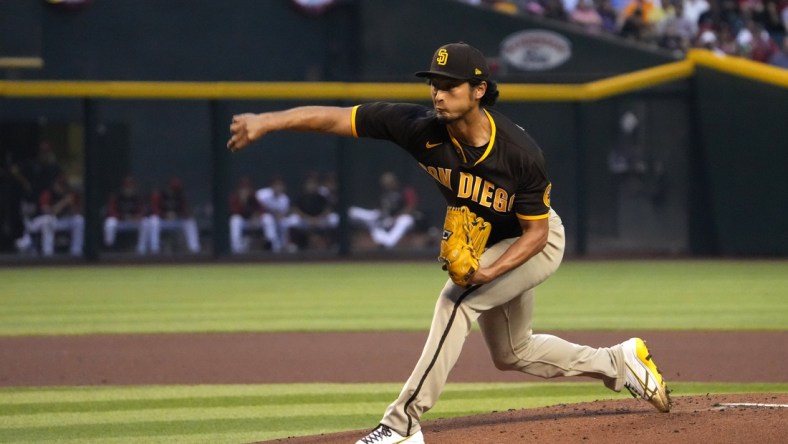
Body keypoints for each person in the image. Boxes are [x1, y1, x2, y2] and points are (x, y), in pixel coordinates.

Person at [227, 42, 671, 444]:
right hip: (492, 246)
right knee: (512, 352)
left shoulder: (519, 153)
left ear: (478, 89)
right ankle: (618, 363)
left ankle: (401, 426)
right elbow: (340, 118)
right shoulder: (419, 128)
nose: (438, 93)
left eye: (449, 85)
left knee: (456, 301)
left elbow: (535, 233)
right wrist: (269, 120)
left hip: (533, 241)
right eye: (434, 84)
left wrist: (487, 273)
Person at [348, 171, 418, 249]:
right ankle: (382, 241)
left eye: (389, 183)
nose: (387, 186)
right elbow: (379, 210)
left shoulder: (405, 191)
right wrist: (382, 217)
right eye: (385, 184)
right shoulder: (384, 193)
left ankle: (389, 242)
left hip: (401, 218)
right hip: (385, 218)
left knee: (405, 220)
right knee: (354, 212)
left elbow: (411, 206)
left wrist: (395, 218)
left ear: (395, 182)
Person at [27, 174, 84, 257]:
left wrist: (71, 205)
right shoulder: (48, 193)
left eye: (64, 185)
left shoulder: (69, 194)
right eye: (60, 184)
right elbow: (48, 212)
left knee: (79, 220)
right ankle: (48, 253)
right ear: (55, 184)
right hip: (42, 221)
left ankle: (76, 251)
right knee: (48, 221)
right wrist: (64, 202)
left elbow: (77, 212)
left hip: (61, 221)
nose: (61, 187)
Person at [144, 177, 201, 254]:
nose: (174, 190)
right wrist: (164, 215)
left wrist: (180, 215)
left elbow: (184, 210)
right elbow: (155, 208)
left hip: (176, 219)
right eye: (173, 188)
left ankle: (194, 248)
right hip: (162, 220)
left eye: (176, 188)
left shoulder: (180, 196)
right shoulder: (160, 195)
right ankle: (154, 249)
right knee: (153, 221)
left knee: (190, 222)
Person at [283, 173, 339, 250]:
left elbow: (328, 210)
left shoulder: (322, 197)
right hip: (305, 221)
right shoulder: (301, 196)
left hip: (319, 221)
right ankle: (293, 244)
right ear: (306, 185)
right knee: (292, 221)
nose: (312, 186)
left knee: (334, 219)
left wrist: (318, 219)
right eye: (310, 183)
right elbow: (295, 210)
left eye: (314, 183)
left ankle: (335, 244)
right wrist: (308, 218)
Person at [103, 175, 148, 254]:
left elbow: (142, 210)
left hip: (132, 221)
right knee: (109, 223)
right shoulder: (117, 195)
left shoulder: (137, 196)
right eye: (127, 185)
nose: (128, 187)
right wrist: (120, 216)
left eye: (130, 185)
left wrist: (138, 216)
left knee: (145, 223)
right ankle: (109, 247)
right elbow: (111, 209)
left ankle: (141, 249)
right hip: (120, 220)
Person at [228, 176, 266, 253]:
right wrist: (243, 202)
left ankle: (274, 246)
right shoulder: (234, 197)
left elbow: (262, 209)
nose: (245, 191)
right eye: (242, 189)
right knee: (235, 220)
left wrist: (256, 215)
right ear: (239, 190)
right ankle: (236, 248)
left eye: (246, 189)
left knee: (267, 218)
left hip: (253, 222)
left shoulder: (253, 197)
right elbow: (234, 212)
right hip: (242, 222)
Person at [255, 176, 291, 252]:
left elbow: (283, 214)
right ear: (272, 186)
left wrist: (279, 216)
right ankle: (274, 247)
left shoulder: (284, 199)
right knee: (268, 219)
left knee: (284, 222)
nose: (278, 187)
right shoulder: (262, 194)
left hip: (276, 221)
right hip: (259, 220)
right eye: (276, 185)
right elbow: (254, 205)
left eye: (280, 185)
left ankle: (283, 245)